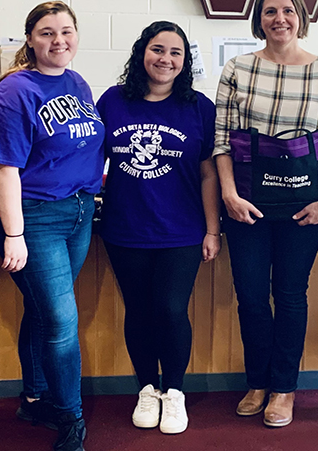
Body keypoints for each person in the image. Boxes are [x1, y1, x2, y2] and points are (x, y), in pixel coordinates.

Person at [214, 0, 318, 428]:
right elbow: (221, 142)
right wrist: (229, 195)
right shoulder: (237, 68)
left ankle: (284, 388)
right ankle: (258, 381)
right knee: (251, 297)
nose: (279, 19)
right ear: (259, 19)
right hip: (246, 206)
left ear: (301, 17)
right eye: (269, 11)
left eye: (287, 10)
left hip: (305, 208)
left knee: (291, 296)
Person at [0, 1, 103, 451]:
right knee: (61, 322)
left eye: (67, 31)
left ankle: (33, 397)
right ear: (30, 38)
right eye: (48, 33)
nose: (59, 41)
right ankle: (70, 419)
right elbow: (3, 169)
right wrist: (13, 233)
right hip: (34, 218)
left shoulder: (76, 82)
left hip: (78, 211)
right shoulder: (14, 92)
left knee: (44, 311)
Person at [96, 21, 221, 435]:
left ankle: (175, 392)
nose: (165, 59)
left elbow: (208, 174)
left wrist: (212, 229)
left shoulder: (199, 107)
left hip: (181, 231)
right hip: (125, 227)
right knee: (139, 310)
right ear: (141, 53)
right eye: (157, 49)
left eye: (175, 53)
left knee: (170, 309)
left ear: (185, 62)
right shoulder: (112, 101)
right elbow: (93, 161)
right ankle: (147, 388)